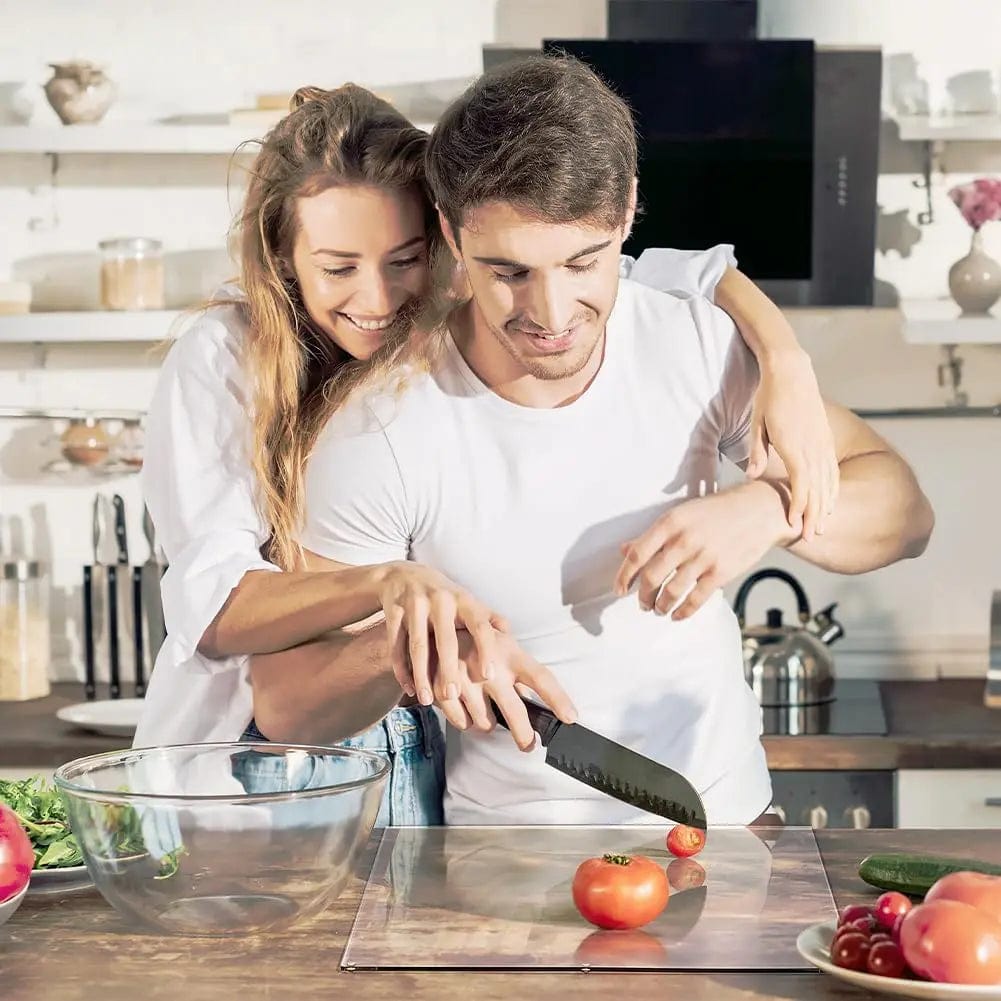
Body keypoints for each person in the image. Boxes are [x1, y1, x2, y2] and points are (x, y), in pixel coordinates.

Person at [251, 55, 935, 827]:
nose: (550, 312)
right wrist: (395, 647)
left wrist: (771, 507)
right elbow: (284, 707)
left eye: (583, 262)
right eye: (507, 270)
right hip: (500, 872)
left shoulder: (697, 348)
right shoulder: (378, 430)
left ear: (628, 213)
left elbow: (904, 512)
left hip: (726, 831)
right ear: (448, 231)